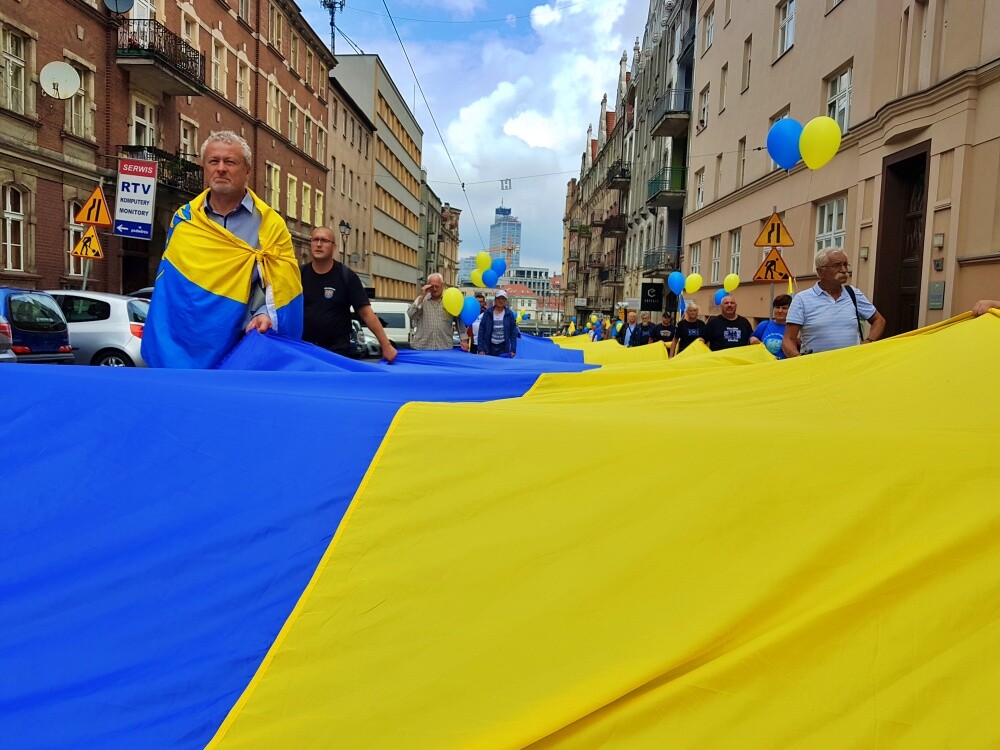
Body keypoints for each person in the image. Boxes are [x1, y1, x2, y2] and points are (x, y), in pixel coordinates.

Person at [143, 131, 302, 368]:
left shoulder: (270, 225)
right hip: (188, 344)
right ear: (204, 168)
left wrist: (264, 312)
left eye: (230, 162)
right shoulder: (184, 220)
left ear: (247, 170)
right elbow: (171, 287)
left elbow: (280, 284)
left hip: (243, 347)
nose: (220, 169)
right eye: (213, 161)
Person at [300, 226, 397, 363]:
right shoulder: (299, 275)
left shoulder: (346, 276)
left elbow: (366, 313)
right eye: (315, 240)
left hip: (336, 351)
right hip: (305, 348)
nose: (319, 244)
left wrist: (386, 345)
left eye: (324, 240)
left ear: (334, 247)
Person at [783, 248, 886, 357]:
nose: (844, 270)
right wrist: (799, 358)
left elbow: (879, 320)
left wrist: (868, 342)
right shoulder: (802, 299)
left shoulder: (854, 294)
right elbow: (788, 340)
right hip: (817, 365)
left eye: (845, 265)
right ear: (820, 271)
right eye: (837, 266)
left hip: (851, 364)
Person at [408, 273, 468, 350]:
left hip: (444, 347)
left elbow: (459, 321)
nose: (434, 289)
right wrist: (422, 296)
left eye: (437, 286)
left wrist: (464, 340)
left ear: (442, 285)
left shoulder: (450, 300)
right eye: (431, 286)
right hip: (422, 347)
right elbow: (411, 315)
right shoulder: (422, 300)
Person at [477, 289, 519, 357]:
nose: (500, 300)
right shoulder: (488, 313)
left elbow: (513, 333)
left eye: (503, 299)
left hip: (503, 347)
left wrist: (513, 349)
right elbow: (481, 331)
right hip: (489, 347)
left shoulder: (509, 314)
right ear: (495, 299)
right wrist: (480, 349)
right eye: (498, 298)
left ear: (505, 300)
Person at [750, 294, 792, 359]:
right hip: (764, 363)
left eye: (784, 308)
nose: (780, 311)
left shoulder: (793, 328)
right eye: (777, 307)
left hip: (785, 364)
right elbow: (752, 338)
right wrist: (753, 339)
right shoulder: (764, 325)